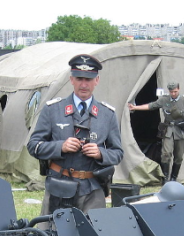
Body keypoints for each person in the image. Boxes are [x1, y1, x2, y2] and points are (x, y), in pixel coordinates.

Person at [28, 54, 123, 215]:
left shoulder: (107, 114)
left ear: (97, 80)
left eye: (88, 79)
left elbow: (118, 153)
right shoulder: (53, 110)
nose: (84, 84)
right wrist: (60, 146)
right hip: (59, 186)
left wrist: (101, 153)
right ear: (72, 80)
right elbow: (33, 146)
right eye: (79, 78)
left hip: (93, 189)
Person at [128, 82, 184, 182]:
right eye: (171, 92)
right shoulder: (164, 100)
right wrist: (135, 107)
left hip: (180, 131)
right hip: (168, 130)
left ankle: (173, 178)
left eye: (175, 91)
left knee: (179, 156)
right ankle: (166, 178)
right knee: (166, 154)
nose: (173, 94)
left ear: (179, 89)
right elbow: (151, 106)